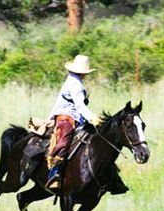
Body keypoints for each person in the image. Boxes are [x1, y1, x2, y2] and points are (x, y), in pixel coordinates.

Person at [46, 55, 128, 194]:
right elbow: (79, 106)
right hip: (67, 120)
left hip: (75, 119)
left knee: (100, 143)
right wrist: (92, 117)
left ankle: (112, 178)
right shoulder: (75, 84)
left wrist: (49, 118)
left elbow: (59, 103)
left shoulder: (73, 80)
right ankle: (54, 174)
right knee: (63, 144)